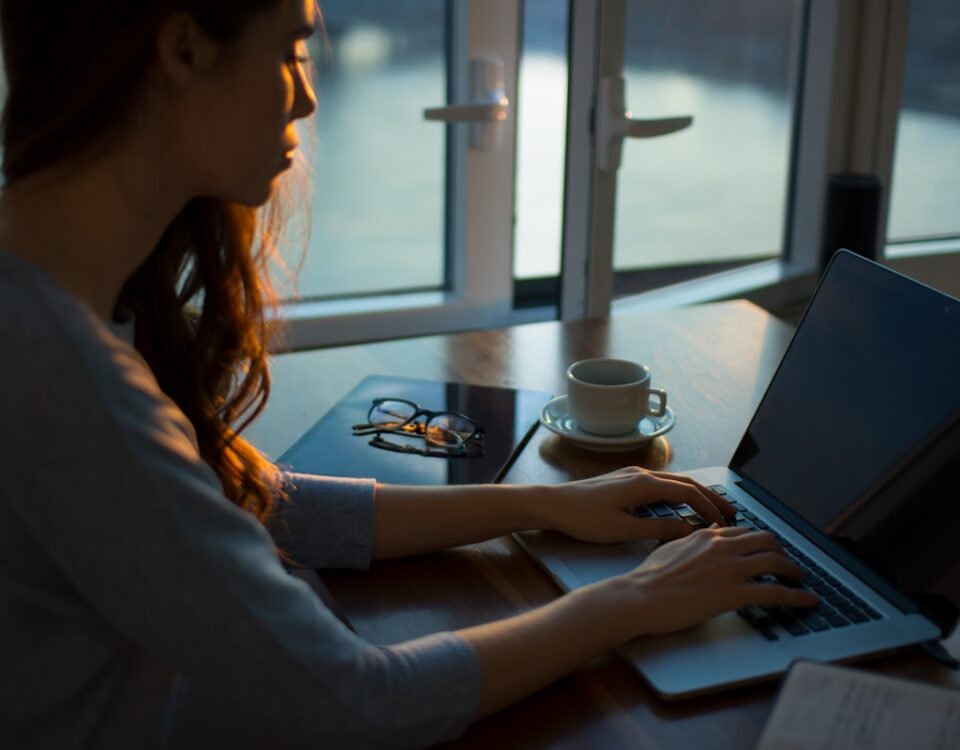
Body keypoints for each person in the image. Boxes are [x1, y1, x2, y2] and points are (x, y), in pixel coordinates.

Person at [0, 1, 818, 747]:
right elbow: (362, 700)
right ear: (183, 47)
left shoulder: (43, 300)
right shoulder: (65, 381)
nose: (307, 96)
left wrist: (543, 504)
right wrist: (634, 599)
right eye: (290, 50)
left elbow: (232, 501)